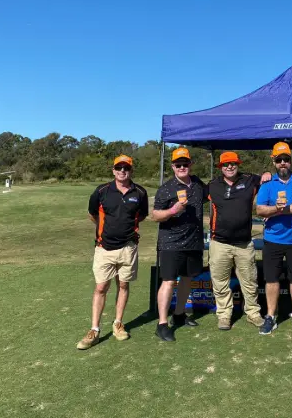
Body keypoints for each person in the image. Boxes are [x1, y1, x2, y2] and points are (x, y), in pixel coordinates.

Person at [77, 155, 148, 350]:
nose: (122, 171)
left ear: (131, 170)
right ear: (113, 170)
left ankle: (118, 323)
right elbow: (92, 214)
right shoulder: (102, 191)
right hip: (104, 247)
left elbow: (141, 216)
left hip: (128, 247)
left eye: (126, 168)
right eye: (119, 167)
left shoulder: (140, 192)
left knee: (123, 284)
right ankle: (94, 330)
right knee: (101, 287)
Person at [255, 142, 292, 335]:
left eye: (286, 159)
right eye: (279, 160)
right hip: (273, 240)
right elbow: (260, 209)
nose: (282, 163)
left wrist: (278, 211)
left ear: (290, 161)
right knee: (271, 280)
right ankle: (270, 316)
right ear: (274, 162)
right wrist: (276, 209)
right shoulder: (267, 184)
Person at [152, 147, 208, 342]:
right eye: (178, 164)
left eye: (185, 164)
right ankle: (162, 324)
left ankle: (179, 314)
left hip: (193, 242)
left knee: (186, 279)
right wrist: (172, 211)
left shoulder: (198, 184)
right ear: (173, 166)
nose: (182, 167)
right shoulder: (166, 188)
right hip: (171, 243)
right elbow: (155, 215)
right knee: (168, 281)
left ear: (190, 164)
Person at [207, 151, 268, 330]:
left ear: (238, 164)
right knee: (220, 283)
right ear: (220, 167)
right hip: (219, 243)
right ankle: (224, 315)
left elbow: (268, 179)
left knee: (250, 282)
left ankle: (253, 313)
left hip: (244, 244)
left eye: (233, 163)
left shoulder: (250, 180)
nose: (230, 167)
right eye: (226, 164)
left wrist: (267, 174)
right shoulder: (212, 185)